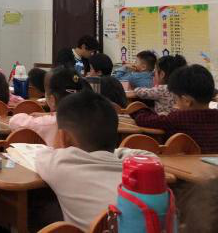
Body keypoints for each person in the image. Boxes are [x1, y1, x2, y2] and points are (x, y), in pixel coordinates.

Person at [35, 91, 152, 231]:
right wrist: (113, 153)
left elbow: (41, 155)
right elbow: (148, 155)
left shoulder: (60, 163)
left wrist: (60, 144)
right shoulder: (138, 167)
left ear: (64, 137)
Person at [132, 64, 218, 152]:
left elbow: (143, 119)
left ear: (186, 101)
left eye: (176, 99)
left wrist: (141, 110)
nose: (175, 103)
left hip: (181, 160)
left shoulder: (178, 118)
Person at [9, 67, 92, 146]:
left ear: (52, 100)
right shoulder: (91, 120)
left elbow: (14, 121)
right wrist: (49, 114)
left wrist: (50, 115)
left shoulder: (50, 123)